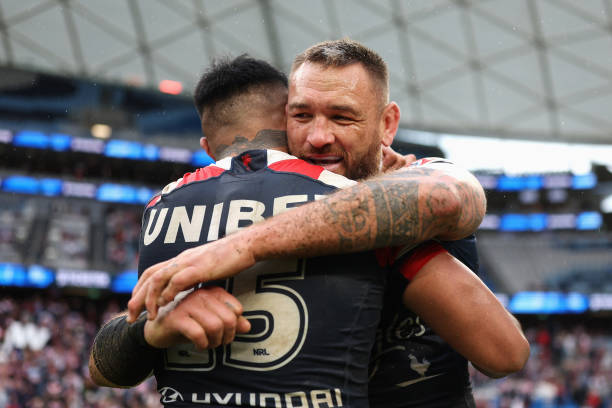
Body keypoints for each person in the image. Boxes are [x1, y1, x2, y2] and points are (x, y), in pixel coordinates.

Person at [127, 40, 529, 407]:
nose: (319, 137)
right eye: (302, 115)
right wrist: (155, 325)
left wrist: (241, 244)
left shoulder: (417, 175)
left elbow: (445, 199)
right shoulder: (268, 205)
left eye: (342, 117)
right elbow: (117, 352)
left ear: (387, 124)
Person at [91, 54, 394, 407]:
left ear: (207, 148)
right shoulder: (361, 205)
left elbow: (105, 370)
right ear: (289, 118)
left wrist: (149, 329)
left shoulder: (161, 208)